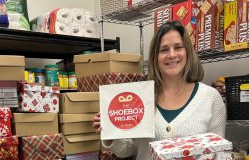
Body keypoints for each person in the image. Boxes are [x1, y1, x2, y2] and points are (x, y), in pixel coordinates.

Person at [92, 21, 226, 160]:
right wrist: (109, 131)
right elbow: (130, 149)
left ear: (187, 52)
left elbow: (217, 152)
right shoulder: (141, 98)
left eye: (178, 47)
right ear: (155, 57)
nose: (172, 54)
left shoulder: (210, 97)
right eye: (164, 49)